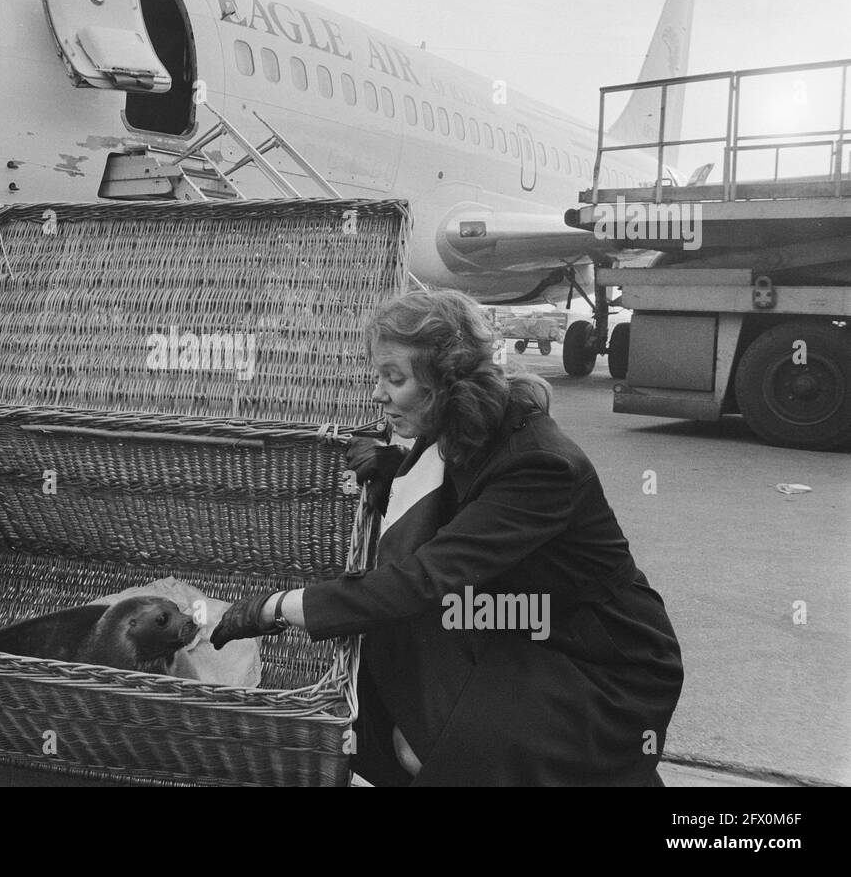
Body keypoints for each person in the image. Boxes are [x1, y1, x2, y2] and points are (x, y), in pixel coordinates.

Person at [212, 289, 684, 785]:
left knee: (428, 751)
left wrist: (277, 607)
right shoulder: (464, 424)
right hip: (518, 621)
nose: (377, 394)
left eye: (394, 378)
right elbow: (459, 497)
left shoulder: (540, 463)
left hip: (600, 658)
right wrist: (396, 471)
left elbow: (426, 576)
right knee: (391, 718)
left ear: (445, 382)